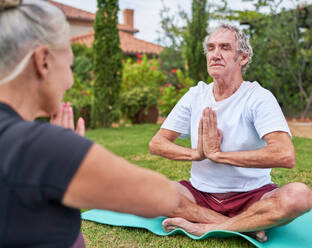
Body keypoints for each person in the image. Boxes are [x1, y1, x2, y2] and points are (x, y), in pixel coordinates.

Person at [0, 1, 179, 247]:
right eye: (70, 65)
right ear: (43, 61)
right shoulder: (44, 147)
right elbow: (164, 197)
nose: (72, 81)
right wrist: (63, 150)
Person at [149, 23, 312, 242]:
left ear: (243, 58)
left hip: (252, 197)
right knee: (147, 189)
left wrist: (219, 156)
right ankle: (238, 226)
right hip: (200, 194)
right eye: (210, 48)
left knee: (300, 196)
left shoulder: (258, 97)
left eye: (225, 48)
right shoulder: (195, 95)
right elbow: (157, 143)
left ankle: (203, 227)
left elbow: (285, 154)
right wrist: (198, 154)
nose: (215, 54)